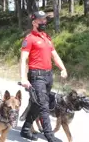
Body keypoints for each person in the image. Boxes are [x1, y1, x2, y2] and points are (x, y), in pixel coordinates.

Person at [19, 11, 68, 142]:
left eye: (45, 20)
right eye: (40, 20)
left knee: (36, 104)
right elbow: (23, 59)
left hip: (48, 75)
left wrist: (62, 68)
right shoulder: (29, 38)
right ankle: (49, 135)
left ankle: (25, 130)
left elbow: (55, 55)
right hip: (36, 76)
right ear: (34, 22)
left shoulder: (47, 37)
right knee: (43, 105)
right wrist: (23, 78)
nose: (43, 22)